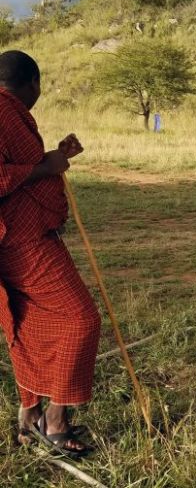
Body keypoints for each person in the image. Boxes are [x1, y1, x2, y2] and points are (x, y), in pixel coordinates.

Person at [0, 50, 100, 457]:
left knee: (29, 323)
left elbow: (18, 165)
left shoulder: (8, 113)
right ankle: (54, 421)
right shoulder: (5, 112)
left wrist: (54, 158)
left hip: (18, 240)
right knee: (81, 319)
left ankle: (29, 410)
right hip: (24, 243)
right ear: (32, 85)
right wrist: (44, 168)